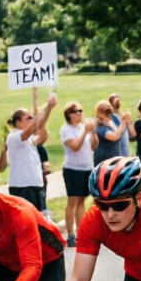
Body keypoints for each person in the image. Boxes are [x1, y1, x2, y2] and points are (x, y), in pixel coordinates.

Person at [0, 93, 57, 214]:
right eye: (28, 118)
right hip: (23, 187)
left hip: (34, 185)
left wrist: (49, 109)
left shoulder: (29, 139)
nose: (32, 120)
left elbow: (42, 132)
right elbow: (35, 125)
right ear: (18, 122)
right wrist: (48, 106)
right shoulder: (14, 137)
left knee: (39, 220)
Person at [58, 102, 96, 247]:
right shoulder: (66, 130)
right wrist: (86, 132)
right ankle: (70, 234)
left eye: (80, 111)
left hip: (87, 166)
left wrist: (92, 132)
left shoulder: (82, 128)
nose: (79, 113)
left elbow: (93, 145)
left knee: (82, 200)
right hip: (73, 168)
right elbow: (74, 147)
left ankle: (81, 232)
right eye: (76, 111)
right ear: (69, 114)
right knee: (73, 201)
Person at [91, 100, 127, 167]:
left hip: (116, 158)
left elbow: (120, 134)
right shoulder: (99, 126)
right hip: (103, 161)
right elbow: (114, 137)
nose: (109, 116)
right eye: (106, 113)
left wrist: (112, 125)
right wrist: (124, 121)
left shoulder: (114, 117)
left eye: (110, 112)